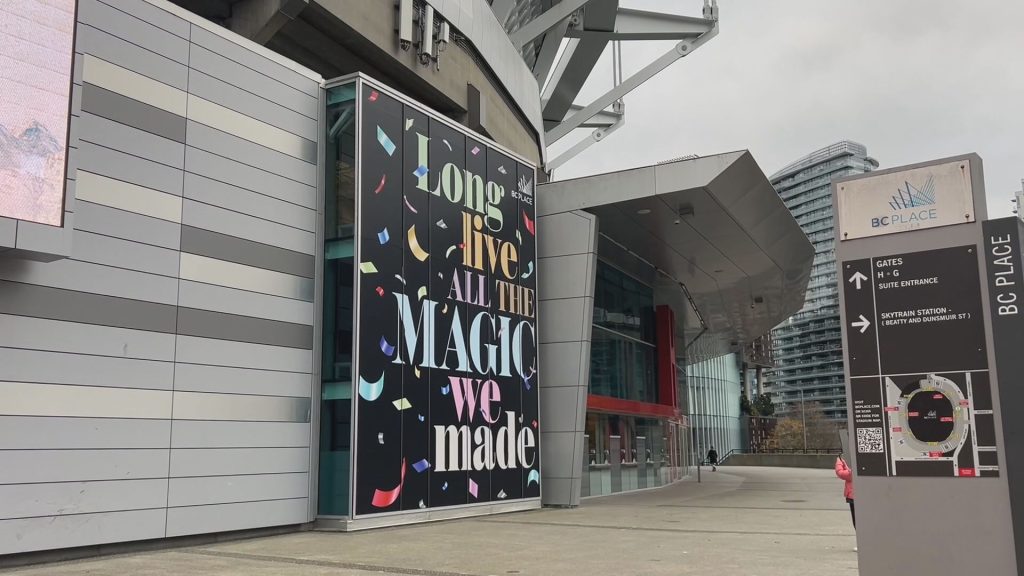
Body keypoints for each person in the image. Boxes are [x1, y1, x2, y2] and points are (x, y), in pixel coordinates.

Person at [835, 455, 856, 552]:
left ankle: (862, 543)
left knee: (857, 521)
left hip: (854, 496)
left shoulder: (853, 467)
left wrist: (839, 461)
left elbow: (842, 473)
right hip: (863, 496)